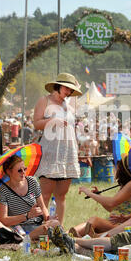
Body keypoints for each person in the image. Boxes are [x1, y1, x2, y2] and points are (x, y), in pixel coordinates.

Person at [33, 73, 82, 226]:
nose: (68, 92)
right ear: (58, 86)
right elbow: (36, 123)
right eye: (66, 89)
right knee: (45, 194)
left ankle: (58, 229)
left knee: (61, 195)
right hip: (50, 150)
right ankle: (40, 228)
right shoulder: (44, 100)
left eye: (70, 90)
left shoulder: (68, 104)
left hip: (68, 150)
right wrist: (53, 120)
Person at [0, 155, 60, 241]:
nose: (23, 172)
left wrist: (48, 217)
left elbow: (43, 207)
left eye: (25, 169)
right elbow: (3, 220)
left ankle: (23, 240)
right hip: (15, 229)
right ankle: (25, 239)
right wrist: (27, 216)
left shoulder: (32, 182)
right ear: (9, 171)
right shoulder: (3, 190)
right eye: (19, 170)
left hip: (36, 227)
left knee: (55, 223)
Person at [69, 155, 131, 238]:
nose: (116, 169)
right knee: (87, 224)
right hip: (113, 224)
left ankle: (84, 239)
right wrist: (98, 196)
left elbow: (112, 202)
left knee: (94, 220)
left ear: (124, 170)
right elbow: (112, 209)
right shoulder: (124, 186)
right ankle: (66, 235)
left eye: (118, 166)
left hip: (123, 226)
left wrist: (90, 194)